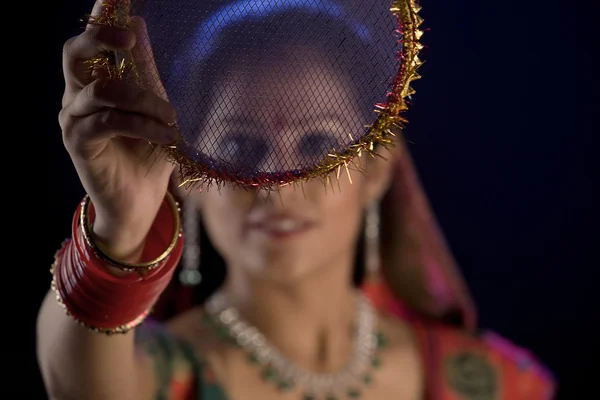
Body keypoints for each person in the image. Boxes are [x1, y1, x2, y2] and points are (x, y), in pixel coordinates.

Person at [37, 1, 556, 399]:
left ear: (376, 169)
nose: (279, 185)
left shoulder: (494, 383)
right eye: (239, 148)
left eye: (318, 146)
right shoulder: (155, 373)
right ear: (186, 180)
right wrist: (121, 226)